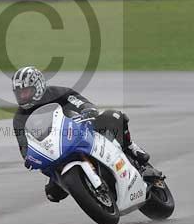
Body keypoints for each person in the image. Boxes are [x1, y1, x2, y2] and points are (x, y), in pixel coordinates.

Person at [11, 65, 152, 203]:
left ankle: (132, 148)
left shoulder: (58, 93)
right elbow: (23, 143)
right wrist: (28, 157)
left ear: (38, 86)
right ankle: (87, 190)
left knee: (114, 116)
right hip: (53, 151)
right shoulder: (19, 118)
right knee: (52, 194)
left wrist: (87, 108)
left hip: (77, 131)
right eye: (19, 93)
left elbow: (79, 101)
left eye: (26, 92)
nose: (22, 96)